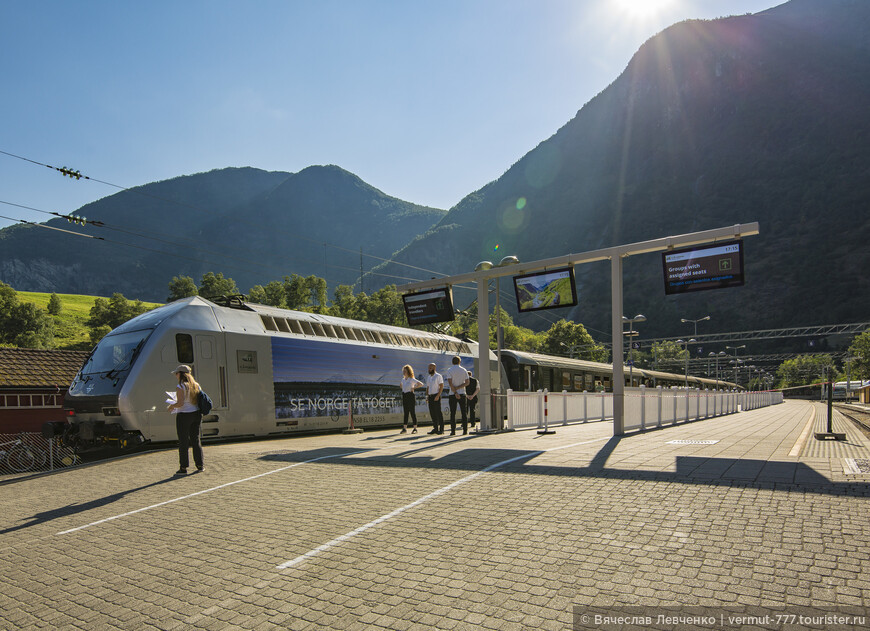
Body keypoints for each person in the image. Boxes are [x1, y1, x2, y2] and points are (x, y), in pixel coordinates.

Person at [167, 364, 204, 475]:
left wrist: (171, 406)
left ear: (181, 374)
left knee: (183, 441)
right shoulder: (196, 385)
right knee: (196, 440)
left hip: (184, 415)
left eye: (177, 373)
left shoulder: (181, 386)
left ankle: (183, 468)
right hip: (196, 414)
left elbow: (180, 403)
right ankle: (200, 465)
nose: (176, 375)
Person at [444, 356, 470, 435]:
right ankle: (465, 431)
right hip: (462, 393)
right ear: (460, 362)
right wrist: (459, 388)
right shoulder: (464, 370)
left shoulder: (449, 370)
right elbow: (467, 382)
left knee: (453, 413)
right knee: (464, 412)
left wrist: (455, 392)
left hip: (452, 394)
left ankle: (453, 431)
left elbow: (450, 383)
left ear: (452, 362)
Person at [400, 364, 424, 434]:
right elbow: (401, 385)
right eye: (403, 371)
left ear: (408, 372)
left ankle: (415, 428)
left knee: (412, 412)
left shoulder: (411, 379)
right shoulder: (403, 379)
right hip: (404, 395)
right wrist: (404, 388)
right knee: (406, 412)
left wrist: (413, 387)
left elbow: (421, 384)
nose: (404, 372)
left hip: (410, 395)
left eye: (405, 371)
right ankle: (404, 428)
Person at [425, 363, 444, 434]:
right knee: (432, 413)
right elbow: (427, 387)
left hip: (436, 395)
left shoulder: (438, 376)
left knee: (438, 412)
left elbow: (441, 386)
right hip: (430, 396)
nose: (429, 369)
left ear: (434, 368)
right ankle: (435, 428)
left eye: (430, 368)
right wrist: (427, 396)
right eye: (428, 368)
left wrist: (438, 395)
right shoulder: (429, 377)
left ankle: (441, 429)